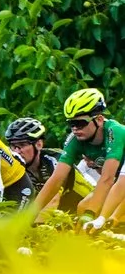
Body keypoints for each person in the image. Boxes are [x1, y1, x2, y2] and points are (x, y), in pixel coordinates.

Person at [40, 88, 125, 220]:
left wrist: (91, 213)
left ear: (100, 120)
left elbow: (107, 179)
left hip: (119, 181)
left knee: (110, 216)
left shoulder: (115, 132)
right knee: (83, 208)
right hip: (118, 183)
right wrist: (28, 215)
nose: (75, 129)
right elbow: (56, 179)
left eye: (80, 123)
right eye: (71, 124)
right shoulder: (75, 139)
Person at [4, 117, 92, 211]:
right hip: (60, 215)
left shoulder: (56, 159)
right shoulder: (15, 168)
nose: (16, 151)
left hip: (87, 206)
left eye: (22, 145)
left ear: (39, 144)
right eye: (13, 146)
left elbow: (53, 200)